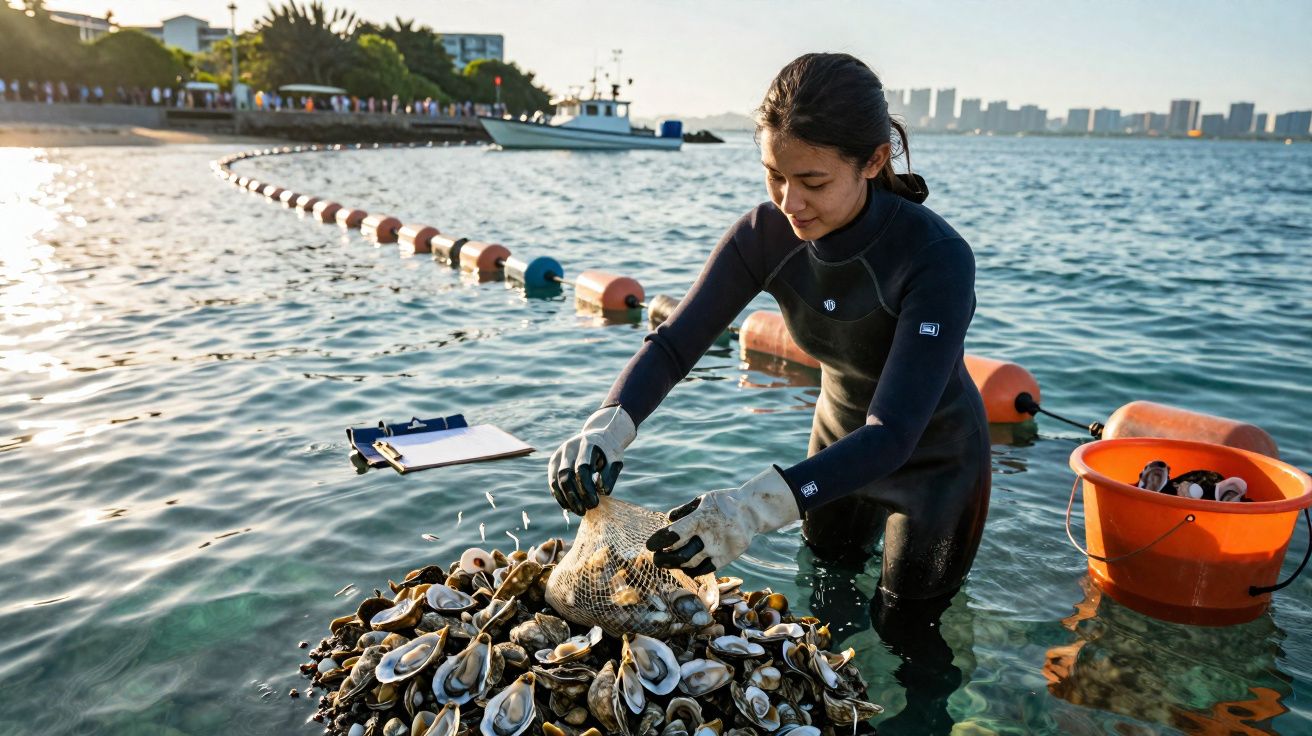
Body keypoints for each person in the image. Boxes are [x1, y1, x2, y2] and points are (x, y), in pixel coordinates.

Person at [547, 52, 990, 731]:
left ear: (873, 161)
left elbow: (896, 434)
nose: (790, 202)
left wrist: (750, 510)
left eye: (811, 181)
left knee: (908, 636)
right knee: (824, 602)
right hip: (836, 447)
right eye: (774, 175)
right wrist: (606, 424)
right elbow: (673, 344)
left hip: (934, 466)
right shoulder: (765, 234)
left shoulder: (935, 257)